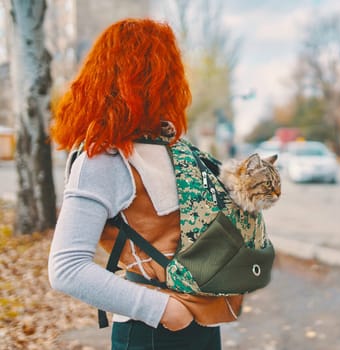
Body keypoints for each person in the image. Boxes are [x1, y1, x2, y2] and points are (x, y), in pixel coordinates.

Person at [48, 18, 242, 350]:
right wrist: (165, 310)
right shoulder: (103, 160)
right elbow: (66, 268)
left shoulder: (168, 147)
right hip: (153, 330)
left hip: (203, 319)